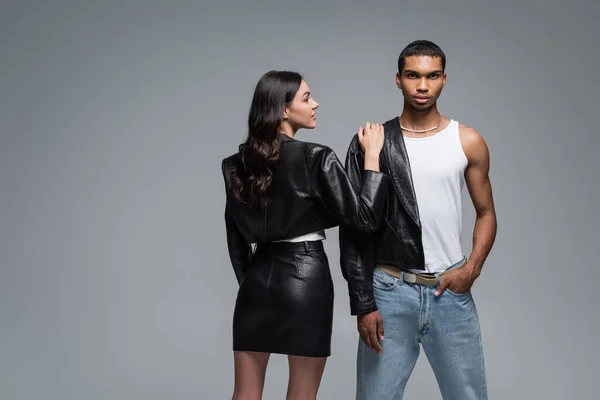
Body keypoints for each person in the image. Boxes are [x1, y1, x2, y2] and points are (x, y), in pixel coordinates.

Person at [340, 40, 498, 400]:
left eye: (432, 76)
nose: (422, 86)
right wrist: (364, 303)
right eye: (413, 75)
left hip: (449, 291)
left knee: (468, 395)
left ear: (444, 79)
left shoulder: (468, 141)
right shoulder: (372, 142)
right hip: (390, 291)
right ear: (398, 79)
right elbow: (354, 229)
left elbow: (486, 213)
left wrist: (472, 268)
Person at [221, 70, 390, 400]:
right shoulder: (315, 157)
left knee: (244, 394)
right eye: (306, 98)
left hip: (255, 282)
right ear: (284, 110)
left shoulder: (235, 165)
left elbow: (235, 237)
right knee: (301, 396)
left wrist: (253, 282)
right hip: (305, 277)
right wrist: (372, 157)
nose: (315, 104)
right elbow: (366, 218)